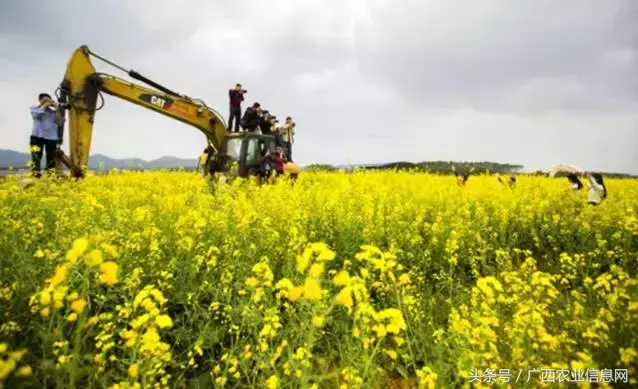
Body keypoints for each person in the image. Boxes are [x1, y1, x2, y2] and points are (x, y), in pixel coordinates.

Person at [30, 93, 60, 177]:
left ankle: (49, 177)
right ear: (40, 100)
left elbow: (59, 122)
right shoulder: (34, 108)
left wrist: (57, 110)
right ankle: (35, 177)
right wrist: (44, 105)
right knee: (35, 157)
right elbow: (37, 115)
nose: (48, 102)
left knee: (51, 159)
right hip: (36, 137)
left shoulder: (53, 112)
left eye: (49, 100)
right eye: (45, 100)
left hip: (51, 138)